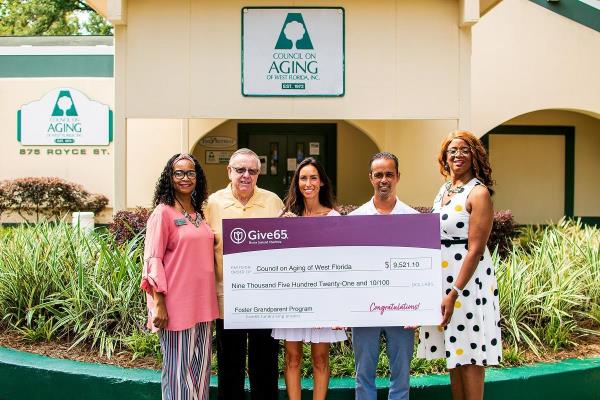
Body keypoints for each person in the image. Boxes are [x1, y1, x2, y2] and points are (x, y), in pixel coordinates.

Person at [417, 130, 502, 400]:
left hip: (467, 283)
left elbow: (475, 250)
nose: (458, 155)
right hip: (444, 278)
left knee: (471, 353)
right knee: (454, 353)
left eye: (465, 150)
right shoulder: (444, 190)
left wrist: (454, 292)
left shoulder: (478, 193)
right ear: (444, 157)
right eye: (452, 150)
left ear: (474, 156)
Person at [205, 148, 284, 400]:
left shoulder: (273, 202)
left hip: (266, 302)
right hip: (228, 302)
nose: (246, 175)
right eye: (240, 170)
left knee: (266, 368)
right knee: (230, 369)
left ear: (258, 174)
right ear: (229, 171)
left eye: (252, 170)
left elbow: (286, 248)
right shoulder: (212, 203)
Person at [141, 153, 219, 400]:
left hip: (203, 305)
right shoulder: (162, 213)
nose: (185, 178)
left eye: (190, 173)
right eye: (179, 173)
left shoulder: (198, 213)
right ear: (170, 177)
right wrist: (159, 304)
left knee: (200, 371)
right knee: (178, 373)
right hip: (175, 305)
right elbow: (153, 260)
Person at [271, 157, 347, 400]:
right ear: (297, 183)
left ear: (322, 182)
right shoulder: (287, 217)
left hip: (324, 296)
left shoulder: (335, 217)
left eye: (313, 177)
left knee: (320, 358)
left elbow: (341, 262)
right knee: (292, 357)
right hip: (293, 296)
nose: (308, 183)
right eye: (303, 178)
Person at [349, 152, 418, 400]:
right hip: (365, 309)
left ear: (398, 176)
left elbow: (421, 268)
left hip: (402, 310)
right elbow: (349, 266)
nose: (384, 180)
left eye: (389, 174)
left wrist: (418, 309)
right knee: (363, 375)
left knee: (401, 377)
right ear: (370, 178)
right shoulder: (354, 220)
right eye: (378, 175)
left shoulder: (414, 220)